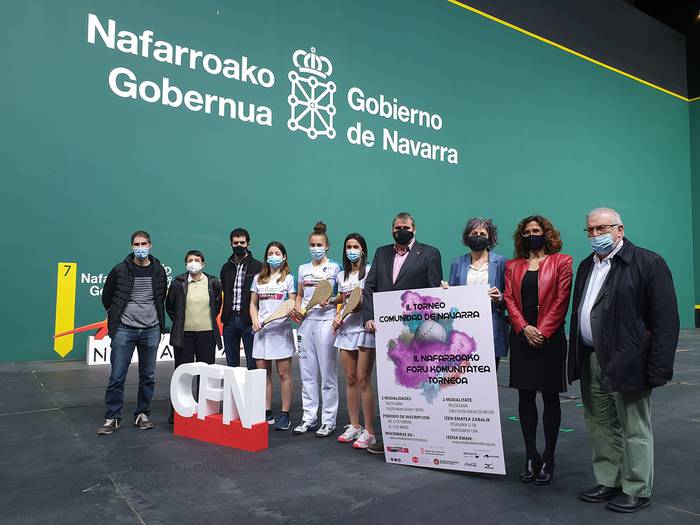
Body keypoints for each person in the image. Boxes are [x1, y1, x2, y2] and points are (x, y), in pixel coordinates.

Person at [568, 208, 679, 513]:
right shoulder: (586, 266)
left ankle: (637, 488)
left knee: (634, 427)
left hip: (628, 360)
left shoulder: (648, 263)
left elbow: (666, 321)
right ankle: (609, 480)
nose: (595, 235)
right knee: (600, 424)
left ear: (619, 229)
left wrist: (658, 368)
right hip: (591, 357)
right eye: (590, 230)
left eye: (602, 228)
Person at [362, 212, 443, 454]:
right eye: (397, 228)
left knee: (417, 384)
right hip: (385, 332)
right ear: (392, 230)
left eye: (405, 227)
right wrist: (369, 317)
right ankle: (392, 438)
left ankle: (424, 437)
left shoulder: (429, 253)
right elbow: (369, 287)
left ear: (414, 229)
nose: (401, 231)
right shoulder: (381, 253)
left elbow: (433, 292)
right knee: (390, 386)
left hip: (415, 334)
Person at [504, 215, 572, 484]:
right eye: (527, 232)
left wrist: (542, 331)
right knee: (525, 397)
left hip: (550, 339)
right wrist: (524, 328)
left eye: (536, 230)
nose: (532, 235)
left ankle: (549, 457)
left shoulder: (562, 262)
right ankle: (531, 455)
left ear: (546, 233)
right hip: (521, 338)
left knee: (551, 398)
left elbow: (561, 299)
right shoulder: (512, 266)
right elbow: (509, 299)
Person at [98, 231, 167, 435]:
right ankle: (113, 417)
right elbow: (107, 297)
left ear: (150, 245)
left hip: (151, 330)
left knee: (148, 375)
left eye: (144, 243)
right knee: (117, 376)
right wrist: (117, 318)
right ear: (131, 246)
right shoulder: (120, 270)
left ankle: (142, 414)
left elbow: (160, 297)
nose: (140, 247)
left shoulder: (158, 270)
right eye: (137, 244)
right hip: (124, 330)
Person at [291, 222, 341, 437]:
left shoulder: (335, 268)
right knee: (307, 374)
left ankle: (328, 421)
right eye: (312, 245)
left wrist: (333, 304)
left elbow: (342, 295)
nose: (316, 248)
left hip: (326, 322)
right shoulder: (303, 269)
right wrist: (298, 308)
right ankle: (309, 418)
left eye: (319, 245)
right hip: (306, 323)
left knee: (328, 375)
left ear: (327, 246)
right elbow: (300, 295)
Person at [165, 250, 223, 424]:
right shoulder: (177, 283)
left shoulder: (213, 282)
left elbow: (217, 305)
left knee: (206, 375)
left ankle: (205, 412)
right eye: (190, 260)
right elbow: (170, 306)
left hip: (207, 334)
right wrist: (181, 321)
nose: (193, 263)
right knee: (182, 375)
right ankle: (177, 413)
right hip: (184, 336)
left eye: (197, 260)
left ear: (203, 264)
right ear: (185, 264)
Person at [333, 233, 377, 449]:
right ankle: (354, 426)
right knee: (350, 378)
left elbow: (364, 301)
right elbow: (343, 299)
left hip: (364, 329)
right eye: (348, 247)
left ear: (363, 250)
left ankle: (370, 432)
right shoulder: (341, 276)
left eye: (356, 246)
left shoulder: (369, 271)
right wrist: (335, 307)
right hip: (346, 331)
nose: (352, 250)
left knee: (363, 379)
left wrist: (347, 310)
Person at [447, 217, 509, 369]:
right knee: (463, 377)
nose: (478, 236)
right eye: (474, 233)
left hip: (491, 328)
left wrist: (500, 297)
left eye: (483, 234)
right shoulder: (457, 263)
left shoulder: (502, 262)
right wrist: (445, 290)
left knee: (488, 375)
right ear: (467, 237)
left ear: (490, 238)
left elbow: (510, 297)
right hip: (463, 330)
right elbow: (451, 298)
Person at [250, 241, 297, 430]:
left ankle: (285, 414)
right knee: (263, 375)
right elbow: (253, 304)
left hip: (281, 333)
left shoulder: (289, 279)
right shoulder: (258, 279)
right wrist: (255, 320)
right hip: (261, 333)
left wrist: (288, 312)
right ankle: (266, 411)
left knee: (284, 374)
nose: (273, 256)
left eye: (277, 253)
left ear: (284, 257)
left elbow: (291, 304)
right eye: (270, 253)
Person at [220, 228, 262, 370]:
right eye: (236, 242)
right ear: (230, 244)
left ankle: (253, 387)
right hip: (229, 321)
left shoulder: (258, 267)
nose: (239, 245)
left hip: (249, 321)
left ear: (248, 244)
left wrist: (256, 318)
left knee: (253, 363)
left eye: (242, 242)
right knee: (231, 366)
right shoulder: (226, 268)